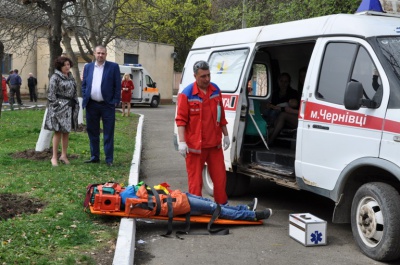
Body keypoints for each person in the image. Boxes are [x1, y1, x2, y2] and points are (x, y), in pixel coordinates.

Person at [175, 60, 230, 205]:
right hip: (195, 148)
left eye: (208, 75)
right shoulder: (186, 94)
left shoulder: (215, 91)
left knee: (220, 180)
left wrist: (226, 135)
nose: (207, 79)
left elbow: (221, 115)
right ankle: (196, 211)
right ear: (195, 76)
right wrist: (182, 142)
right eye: (203, 76)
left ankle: (222, 209)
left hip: (214, 146)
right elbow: (181, 120)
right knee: (195, 184)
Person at [81, 45, 121, 167]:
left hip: (107, 105)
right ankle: (95, 157)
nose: (100, 55)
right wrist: (85, 94)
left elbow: (117, 86)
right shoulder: (88, 67)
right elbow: (84, 84)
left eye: (102, 53)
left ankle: (109, 159)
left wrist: (115, 101)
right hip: (91, 104)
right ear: (94, 53)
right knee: (93, 131)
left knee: (108, 132)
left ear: (106, 54)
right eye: (98, 53)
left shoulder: (113, 67)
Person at [44, 56, 79, 167]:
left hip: (69, 107)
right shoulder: (55, 77)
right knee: (58, 132)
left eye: (68, 64)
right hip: (58, 108)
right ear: (60, 66)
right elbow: (51, 93)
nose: (67, 67)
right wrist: (56, 106)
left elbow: (74, 91)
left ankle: (63, 155)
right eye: (65, 65)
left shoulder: (70, 77)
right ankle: (54, 157)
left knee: (66, 132)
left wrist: (75, 103)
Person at [268, 68, 306, 145]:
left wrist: (290, 110)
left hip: (303, 118)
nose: (302, 79)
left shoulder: (295, 92)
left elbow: (305, 111)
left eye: (304, 76)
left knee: (282, 115)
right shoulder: (275, 93)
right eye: (301, 76)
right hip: (290, 115)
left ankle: (270, 140)